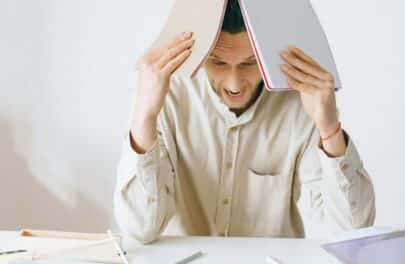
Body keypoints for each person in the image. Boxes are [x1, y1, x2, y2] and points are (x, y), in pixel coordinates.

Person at [114, 0, 375, 243]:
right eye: (217, 62)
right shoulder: (167, 95)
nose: (234, 84)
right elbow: (140, 228)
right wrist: (144, 116)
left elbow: (350, 233)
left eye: (251, 63)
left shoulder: (300, 104)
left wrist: (328, 127)